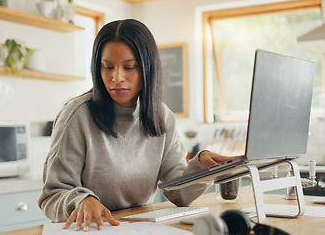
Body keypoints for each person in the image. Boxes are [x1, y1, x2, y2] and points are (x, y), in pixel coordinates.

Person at [38, 19, 236, 232]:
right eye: (107, 67)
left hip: (137, 228)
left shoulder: (161, 115)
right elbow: (53, 195)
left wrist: (202, 168)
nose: (117, 78)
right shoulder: (77, 116)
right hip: (91, 229)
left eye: (129, 67)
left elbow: (178, 192)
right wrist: (81, 201)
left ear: (147, 69)